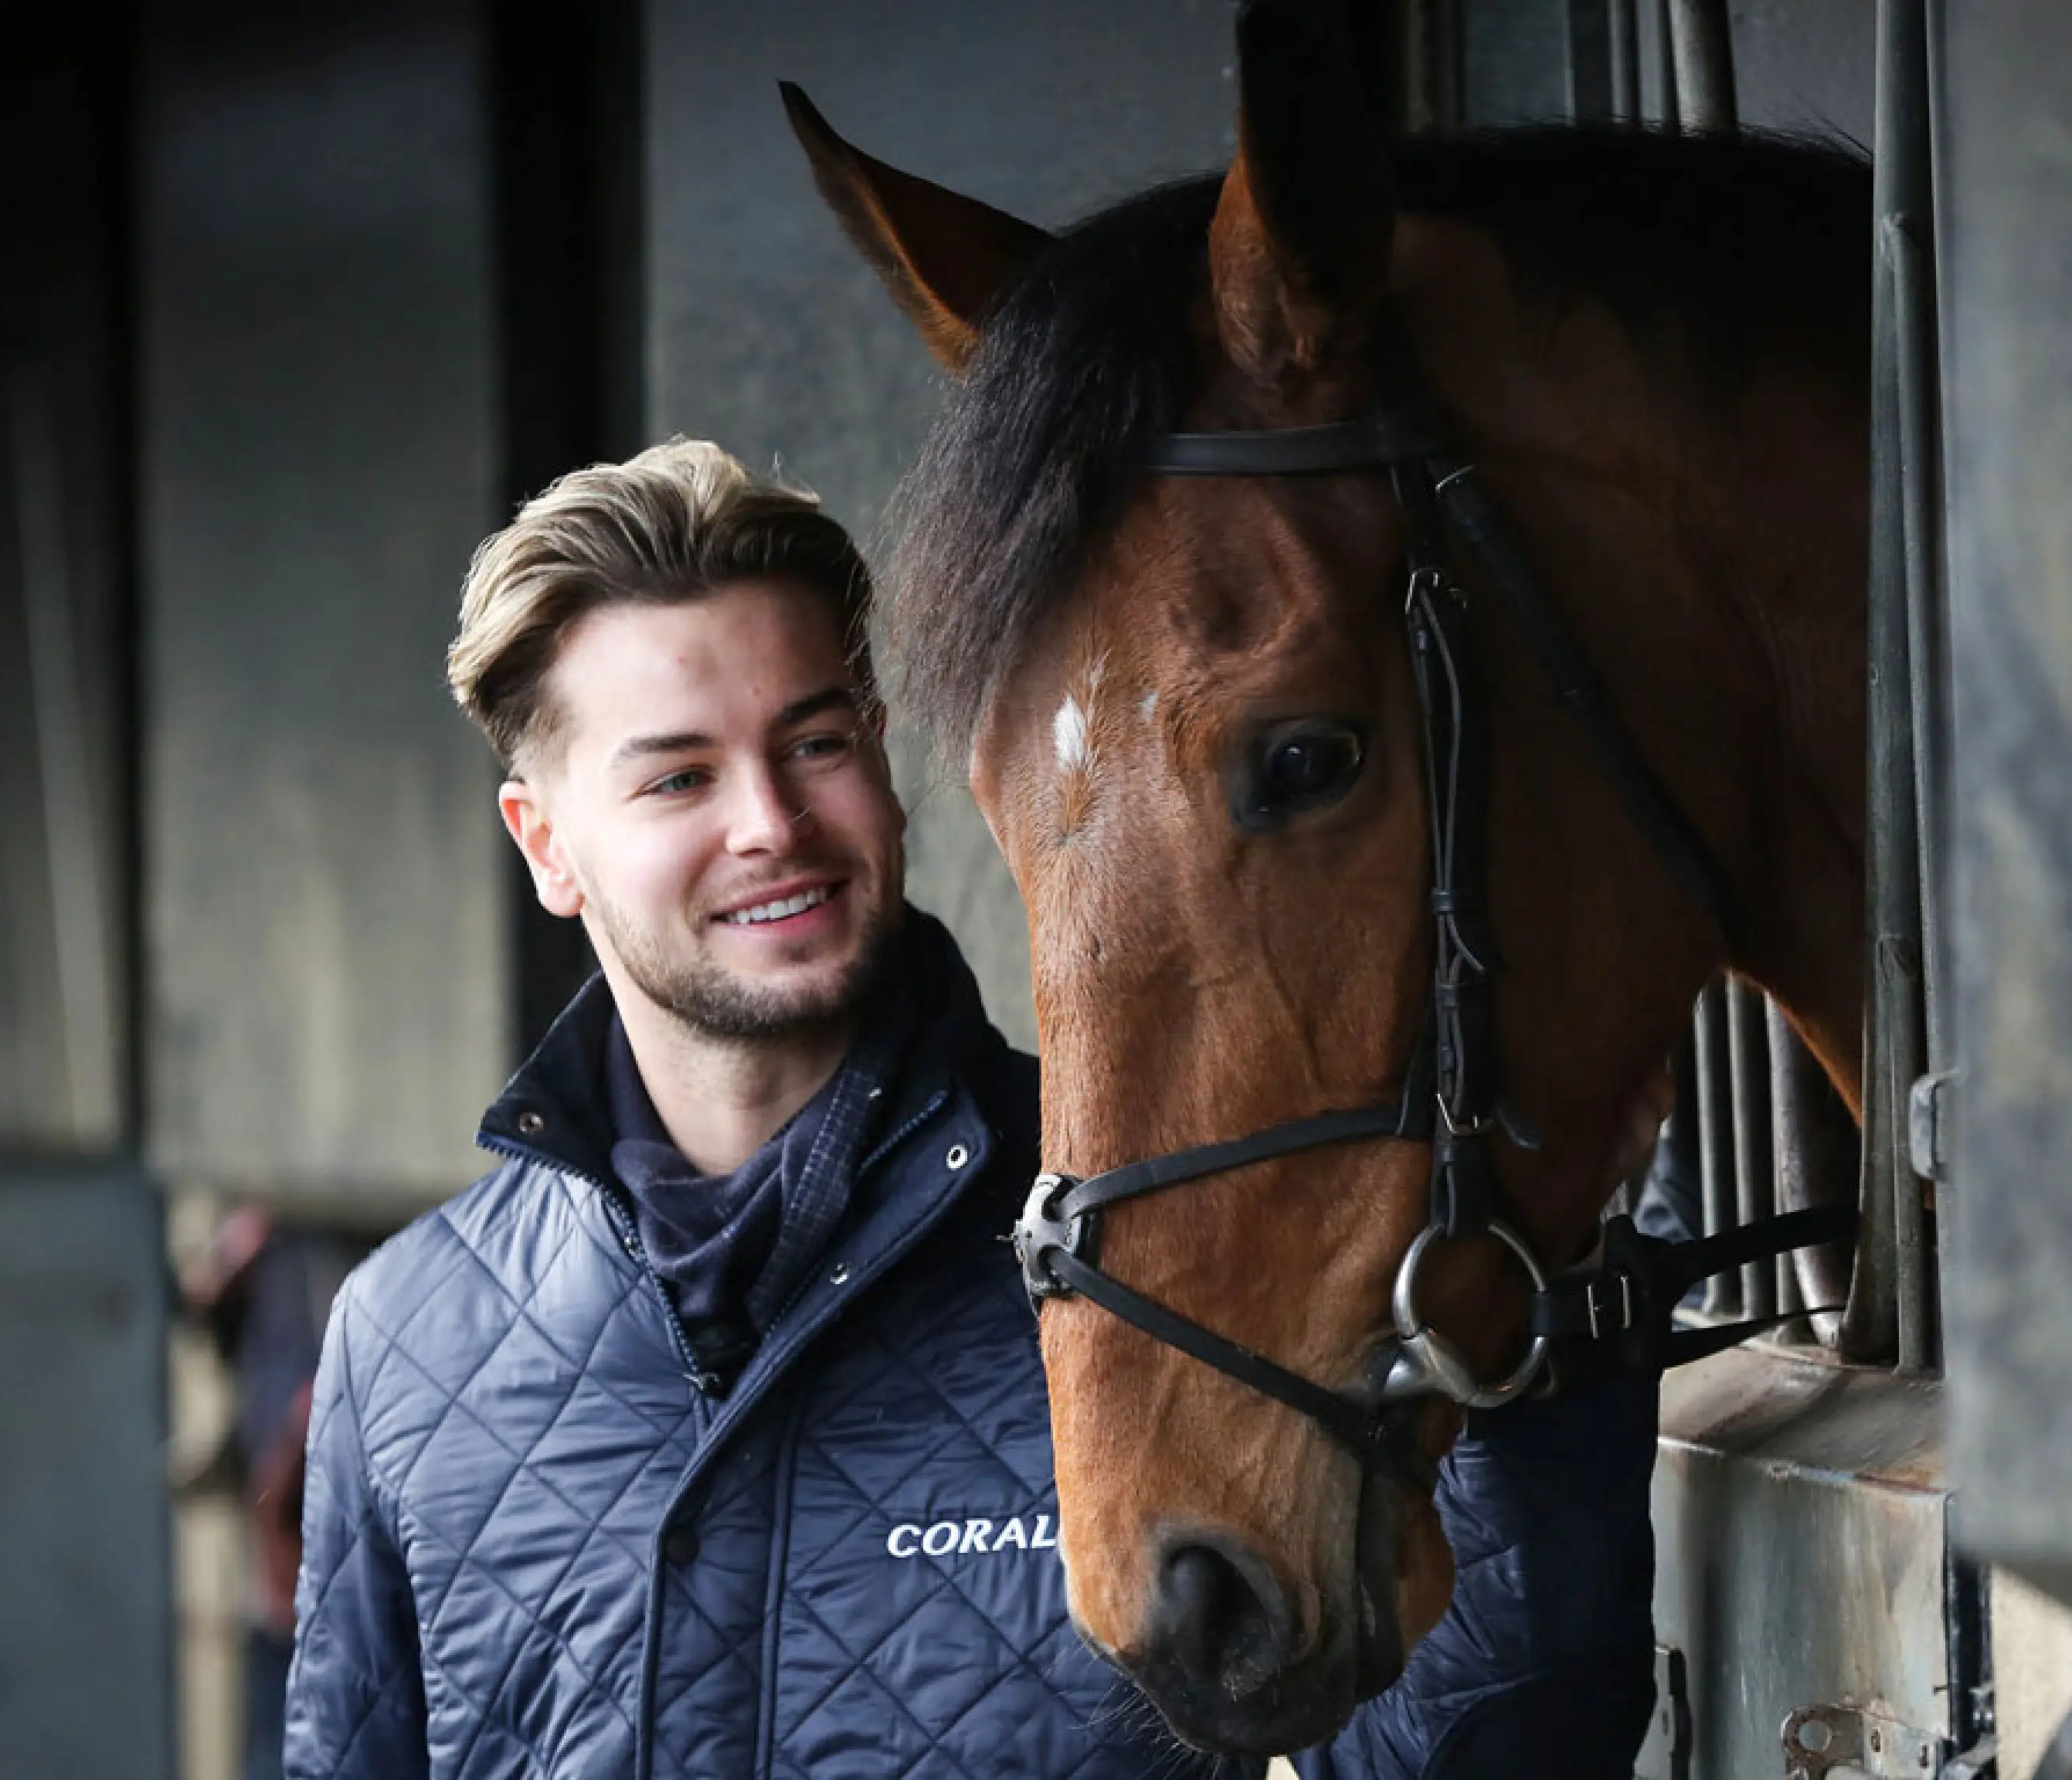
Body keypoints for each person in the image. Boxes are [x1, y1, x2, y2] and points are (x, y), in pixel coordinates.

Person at [282, 439, 1659, 1778]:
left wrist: (1539, 1325)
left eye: (813, 741)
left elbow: (1463, 1750)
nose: (769, 821)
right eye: (679, 777)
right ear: (547, 847)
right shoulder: (408, 1341)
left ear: (882, 759)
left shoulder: (1160, 1232)